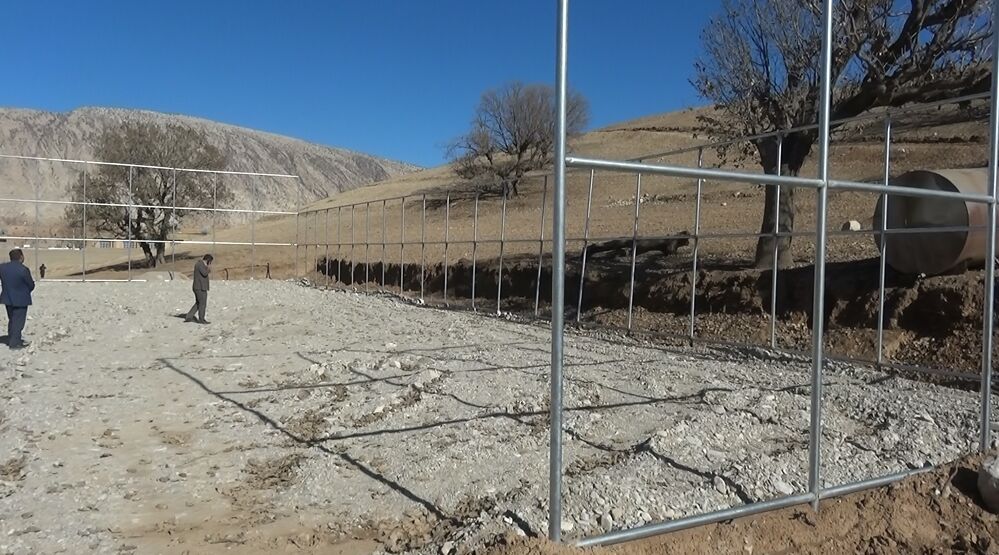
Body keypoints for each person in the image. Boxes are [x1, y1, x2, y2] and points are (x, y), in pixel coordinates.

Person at [0, 249, 35, 349]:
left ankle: (12, 337)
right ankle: (15, 343)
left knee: (12, 320)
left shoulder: (2, 268)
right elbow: (30, 284)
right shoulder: (23, 269)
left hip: (7, 298)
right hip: (21, 299)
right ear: (21, 257)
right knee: (18, 322)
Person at [185, 254, 213, 325]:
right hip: (199, 287)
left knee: (198, 303)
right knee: (202, 304)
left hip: (200, 287)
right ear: (208, 260)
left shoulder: (200, 264)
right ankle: (201, 319)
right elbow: (204, 273)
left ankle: (189, 316)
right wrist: (208, 268)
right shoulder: (200, 265)